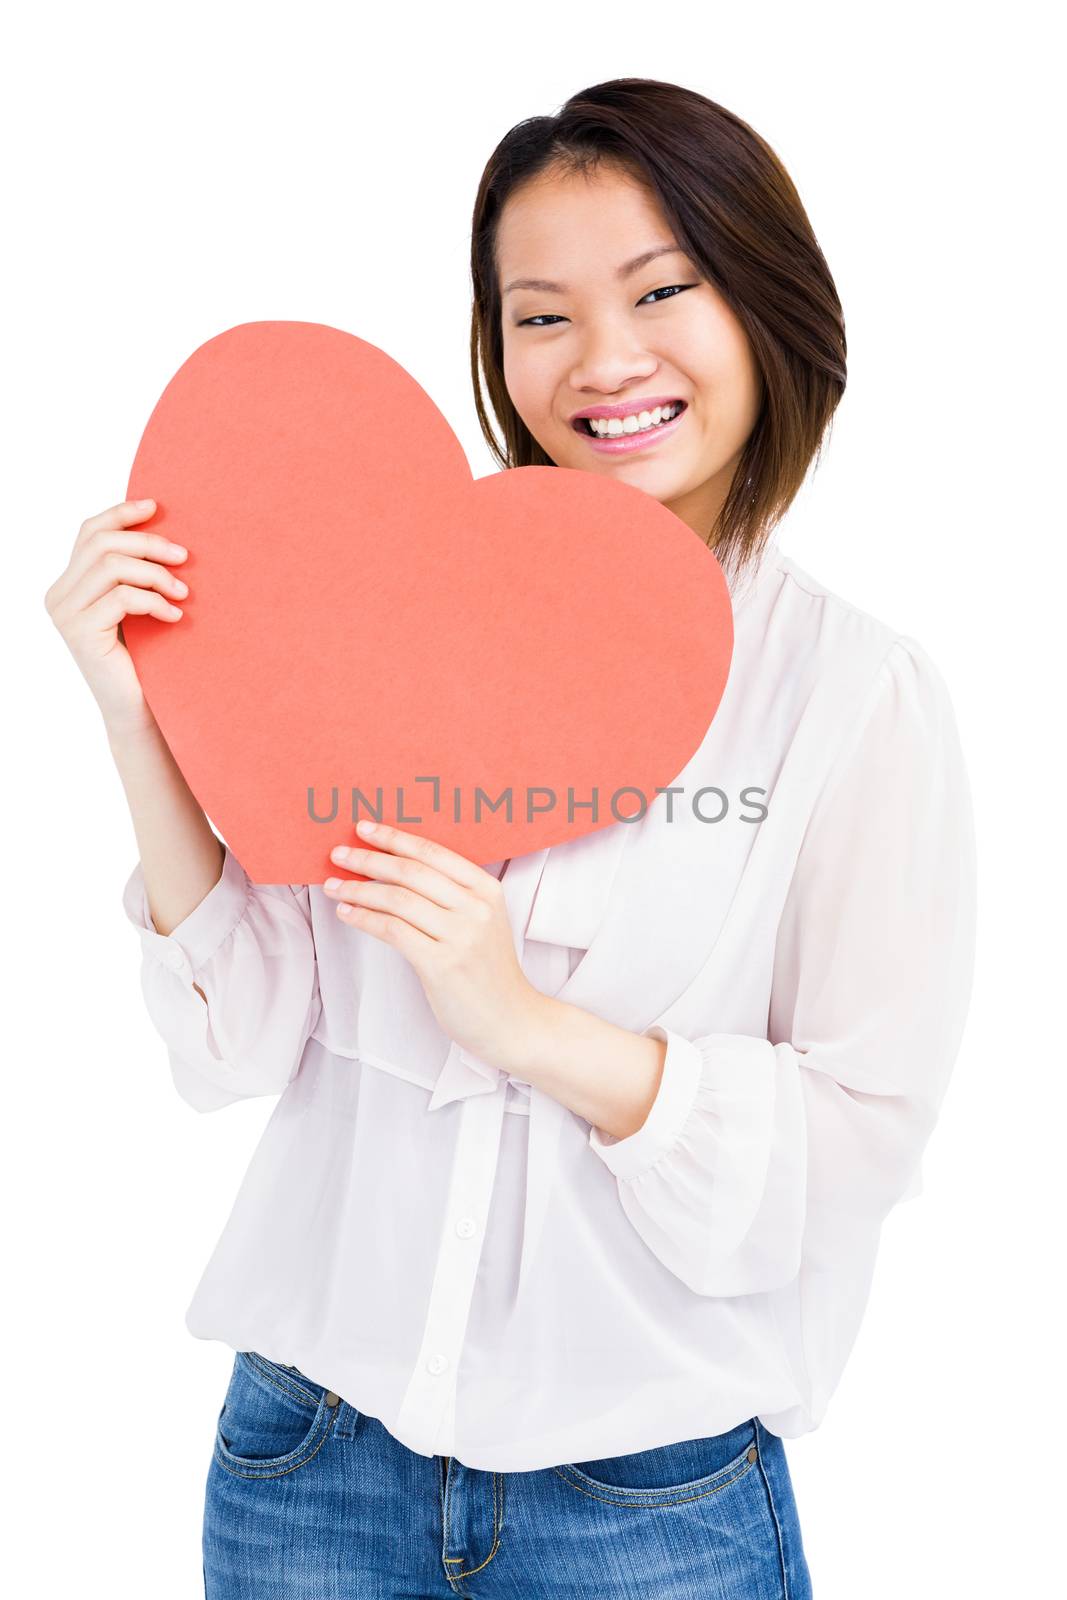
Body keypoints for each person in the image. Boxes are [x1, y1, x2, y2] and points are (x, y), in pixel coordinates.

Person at [45, 78, 976, 1600]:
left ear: (766, 304)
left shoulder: (857, 698)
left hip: (648, 1503)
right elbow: (239, 1043)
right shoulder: (381, 611)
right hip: (307, 1465)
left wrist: (525, 1025)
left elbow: (857, 1135)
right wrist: (138, 710)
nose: (607, 361)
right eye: (540, 315)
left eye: (663, 290)